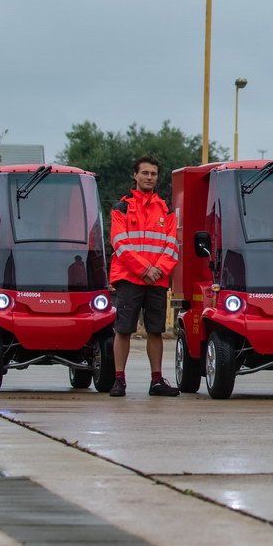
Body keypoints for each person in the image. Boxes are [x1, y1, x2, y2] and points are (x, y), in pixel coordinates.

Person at [108, 155, 180, 397]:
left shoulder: (166, 208)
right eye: (145, 173)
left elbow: (172, 245)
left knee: (156, 330)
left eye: (153, 174)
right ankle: (119, 380)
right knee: (123, 329)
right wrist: (144, 269)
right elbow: (119, 243)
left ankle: (156, 381)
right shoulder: (122, 207)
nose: (149, 177)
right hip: (130, 278)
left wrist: (158, 269)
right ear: (135, 175)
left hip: (157, 279)